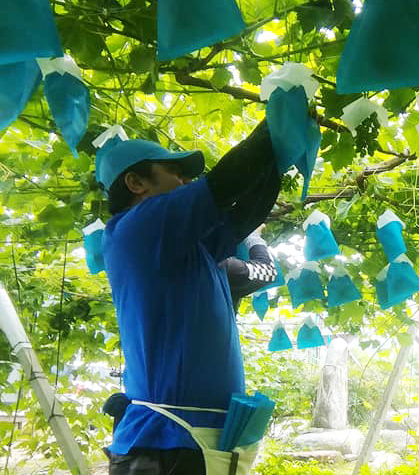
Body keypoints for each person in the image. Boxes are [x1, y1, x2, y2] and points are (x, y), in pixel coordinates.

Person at [98, 120, 281, 474]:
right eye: (175, 173)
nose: (188, 181)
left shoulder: (188, 248)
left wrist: (280, 154)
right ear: (135, 183)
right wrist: (272, 124)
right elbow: (224, 183)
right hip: (165, 446)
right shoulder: (135, 229)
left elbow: (246, 214)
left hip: (189, 442)